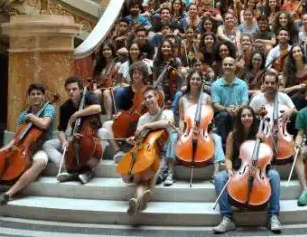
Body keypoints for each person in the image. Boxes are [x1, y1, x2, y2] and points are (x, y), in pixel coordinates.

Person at [0, 83, 55, 206]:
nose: (36, 96)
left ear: (43, 96)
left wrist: (32, 117)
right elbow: (16, 138)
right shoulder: (23, 115)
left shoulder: (49, 108)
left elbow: (44, 124)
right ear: (29, 97)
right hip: (22, 148)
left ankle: (9, 194)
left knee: (40, 163)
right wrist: (2, 150)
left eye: (39, 94)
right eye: (33, 94)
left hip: (40, 148)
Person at [212, 106, 282, 234]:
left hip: (260, 169)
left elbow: (269, 156)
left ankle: (273, 215)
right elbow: (228, 158)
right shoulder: (233, 135)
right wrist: (229, 170)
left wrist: (265, 140)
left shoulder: (261, 134)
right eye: (243, 116)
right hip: (239, 170)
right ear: (239, 118)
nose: (246, 118)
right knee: (219, 178)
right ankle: (227, 217)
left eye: (249, 115)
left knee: (274, 175)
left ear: (253, 118)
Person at [43, 76, 108, 185]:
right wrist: (64, 141)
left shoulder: (88, 96)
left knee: (104, 132)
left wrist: (76, 114)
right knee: (47, 145)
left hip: (91, 134)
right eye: (68, 90)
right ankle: (68, 168)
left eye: (74, 89)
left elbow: (97, 108)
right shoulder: (65, 107)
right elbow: (61, 130)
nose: (71, 92)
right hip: (73, 138)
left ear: (81, 89)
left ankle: (88, 169)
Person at [164, 70, 225, 186]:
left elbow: (210, 118)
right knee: (173, 137)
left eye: (198, 79)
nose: (195, 81)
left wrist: (208, 130)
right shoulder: (182, 99)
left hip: (203, 129)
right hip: (188, 129)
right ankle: (170, 173)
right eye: (193, 79)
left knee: (217, 138)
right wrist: (181, 131)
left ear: (201, 82)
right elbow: (181, 119)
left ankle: (216, 173)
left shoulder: (207, 98)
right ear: (189, 81)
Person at [121, 85, 174, 215]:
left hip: (162, 153)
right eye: (145, 98)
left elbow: (167, 123)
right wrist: (133, 140)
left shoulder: (167, 113)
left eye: (150, 97)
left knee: (150, 173)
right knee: (142, 176)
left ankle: (137, 200)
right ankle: (138, 201)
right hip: (146, 152)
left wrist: (147, 126)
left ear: (157, 97)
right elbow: (139, 140)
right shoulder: (142, 118)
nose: (148, 100)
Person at [211, 57, 249, 146]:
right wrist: (226, 109)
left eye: (230, 65)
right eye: (225, 65)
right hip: (222, 114)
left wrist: (238, 108)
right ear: (222, 67)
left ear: (235, 67)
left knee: (241, 115)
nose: (227, 66)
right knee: (224, 115)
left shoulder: (242, 84)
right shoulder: (216, 85)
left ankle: (239, 144)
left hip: (238, 112)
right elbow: (215, 104)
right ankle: (224, 145)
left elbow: (245, 102)